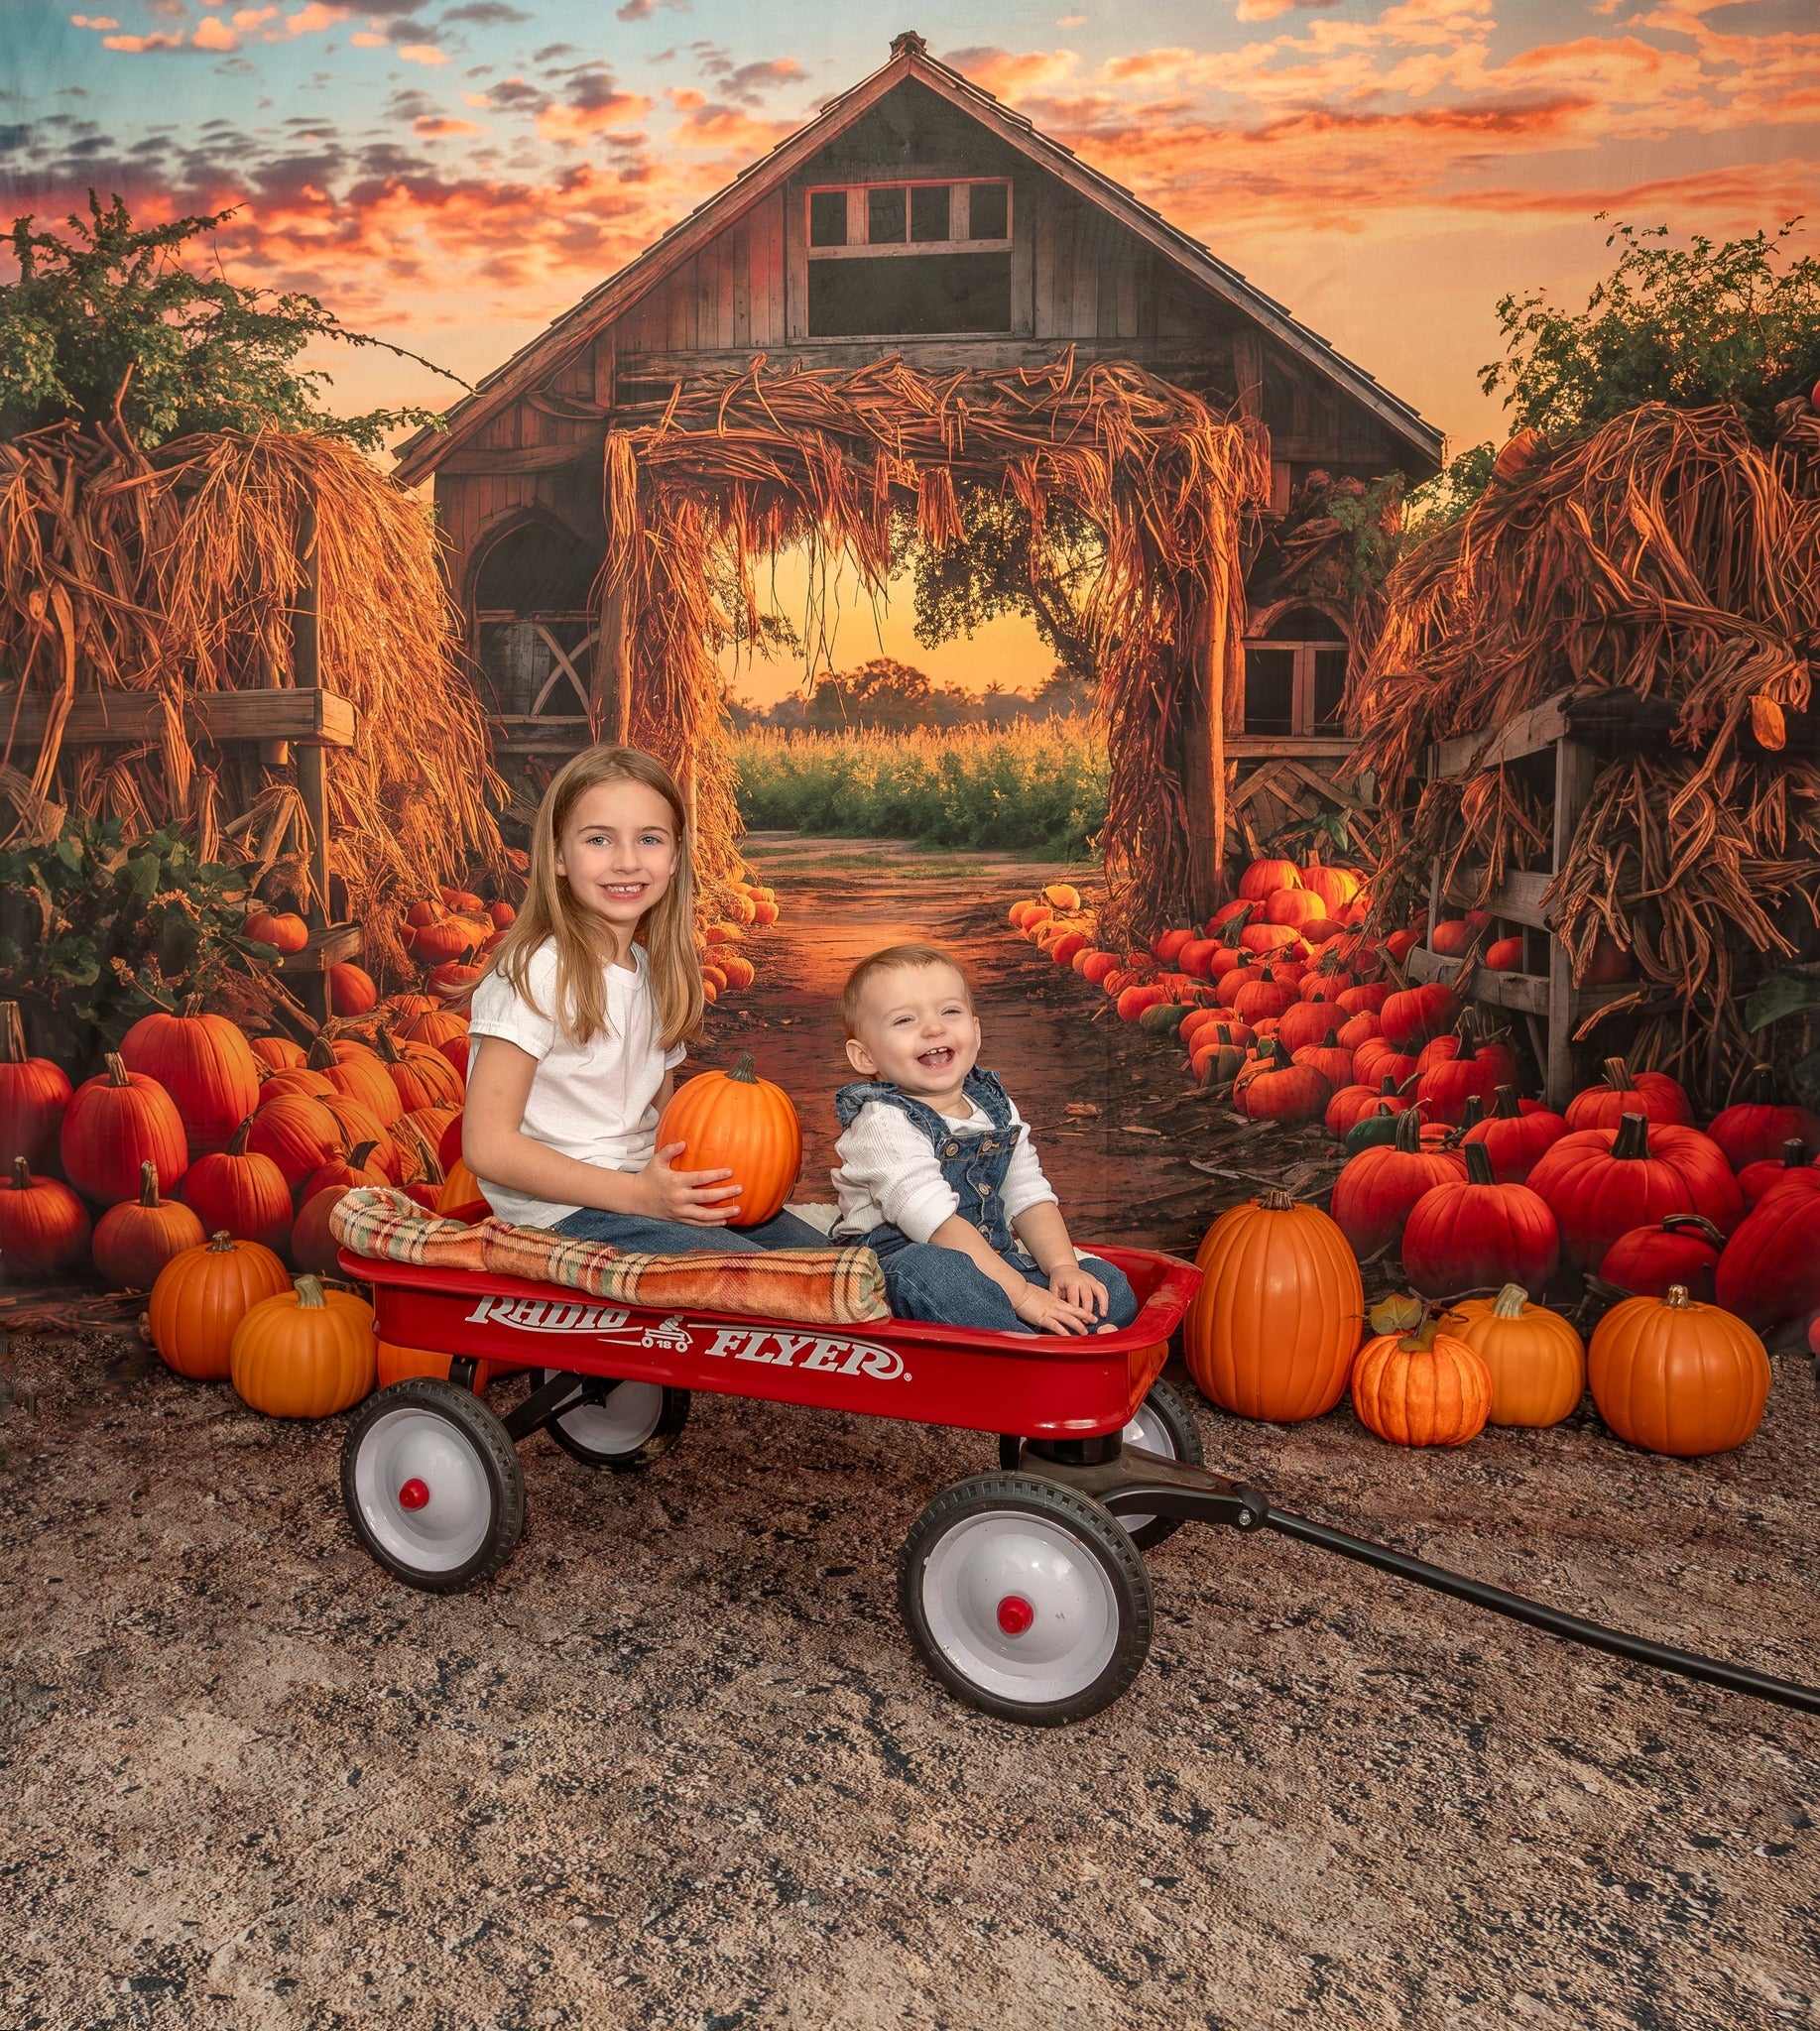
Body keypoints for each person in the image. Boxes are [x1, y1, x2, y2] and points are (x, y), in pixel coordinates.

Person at [461, 745, 827, 1254]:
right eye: (599, 840)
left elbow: (661, 1118)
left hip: (642, 1188)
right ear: (559, 856)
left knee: (829, 1264)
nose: (626, 862)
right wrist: (637, 1195)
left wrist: (747, 1163)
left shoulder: (654, 971)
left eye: (649, 839)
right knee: (775, 1286)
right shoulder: (533, 972)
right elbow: (487, 1146)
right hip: (565, 1213)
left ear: (675, 856)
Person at [829, 943, 1139, 1335]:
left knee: (1107, 1285)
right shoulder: (883, 1124)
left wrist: (1063, 1267)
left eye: (950, 1011)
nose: (933, 1028)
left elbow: (1028, 1192)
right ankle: (1027, 1345)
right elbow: (939, 1225)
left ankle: (1034, 1335)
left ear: (975, 1032)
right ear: (865, 1057)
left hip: (992, 1265)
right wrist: (1025, 1296)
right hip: (895, 1274)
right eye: (905, 1020)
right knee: (935, 1269)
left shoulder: (993, 1105)